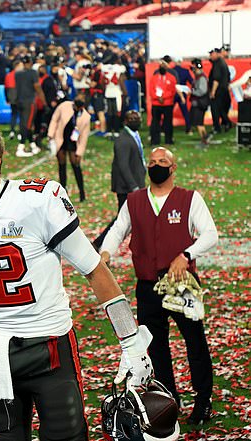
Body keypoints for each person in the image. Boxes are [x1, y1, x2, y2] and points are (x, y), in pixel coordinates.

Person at [0, 121, 154, 440]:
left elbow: (94, 269)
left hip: (47, 345)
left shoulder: (37, 200)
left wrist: (130, 340)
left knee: (67, 436)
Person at [100, 147, 218, 425]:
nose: (156, 165)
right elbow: (118, 229)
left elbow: (210, 234)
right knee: (156, 347)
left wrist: (186, 255)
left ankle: (203, 399)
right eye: (152, 162)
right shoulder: (135, 200)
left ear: (173, 167)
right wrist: (105, 253)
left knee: (195, 342)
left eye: (162, 162)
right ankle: (169, 399)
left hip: (181, 283)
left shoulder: (190, 199)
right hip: (147, 285)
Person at [93, 110, 146, 250]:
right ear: (125, 121)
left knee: (130, 219)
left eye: (138, 118)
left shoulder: (133, 135)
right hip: (127, 187)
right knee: (122, 221)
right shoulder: (123, 140)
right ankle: (101, 244)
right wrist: (134, 186)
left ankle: (101, 243)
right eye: (132, 118)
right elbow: (123, 166)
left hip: (133, 184)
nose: (136, 120)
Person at [47, 94, 91, 202]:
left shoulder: (85, 117)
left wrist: (79, 152)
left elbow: (84, 136)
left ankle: (82, 192)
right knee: (62, 166)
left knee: (76, 165)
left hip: (73, 142)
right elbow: (54, 119)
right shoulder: (64, 106)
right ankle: (63, 192)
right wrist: (51, 134)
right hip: (61, 138)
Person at [15, 55, 45, 157]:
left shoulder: (18, 74)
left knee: (25, 123)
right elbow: (37, 87)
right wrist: (44, 101)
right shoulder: (32, 73)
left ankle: (32, 145)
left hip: (20, 101)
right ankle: (21, 146)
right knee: (27, 125)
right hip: (29, 102)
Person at [149, 59, 177, 146]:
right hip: (156, 103)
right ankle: (154, 141)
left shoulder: (171, 78)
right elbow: (151, 89)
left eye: (164, 66)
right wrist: (157, 97)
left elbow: (172, 91)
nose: (162, 67)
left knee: (168, 122)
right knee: (155, 123)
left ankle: (168, 140)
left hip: (167, 103)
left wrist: (163, 97)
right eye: (161, 66)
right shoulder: (154, 78)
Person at [208, 48, 232, 134]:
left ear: (217, 54)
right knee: (221, 109)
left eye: (212, 54)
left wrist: (213, 91)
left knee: (215, 109)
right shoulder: (223, 62)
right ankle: (226, 123)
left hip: (218, 90)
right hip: (223, 89)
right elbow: (228, 76)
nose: (210, 56)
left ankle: (218, 126)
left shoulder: (217, 63)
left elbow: (216, 79)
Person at [189, 59, 210, 147]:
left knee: (199, 123)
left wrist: (192, 92)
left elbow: (202, 91)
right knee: (199, 122)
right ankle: (205, 138)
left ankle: (204, 140)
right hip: (198, 103)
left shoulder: (201, 78)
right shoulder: (199, 77)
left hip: (200, 103)